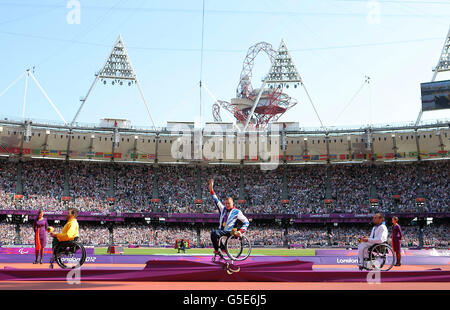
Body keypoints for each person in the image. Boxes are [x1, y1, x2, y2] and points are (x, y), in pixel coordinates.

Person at [208, 179, 250, 256]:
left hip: (230, 231)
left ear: (232, 203)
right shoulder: (222, 208)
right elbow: (216, 200)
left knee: (214, 233)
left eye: (229, 203)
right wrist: (211, 189)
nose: (227, 205)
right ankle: (221, 248)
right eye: (226, 203)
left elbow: (246, 222)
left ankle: (219, 250)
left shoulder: (237, 211)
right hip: (222, 230)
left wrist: (240, 231)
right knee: (213, 233)